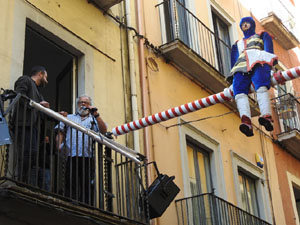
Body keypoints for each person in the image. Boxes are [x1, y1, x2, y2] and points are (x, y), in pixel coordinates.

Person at [227, 17, 278, 137]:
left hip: (259, 61)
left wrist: (269, 65)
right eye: (242, 24)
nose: (244, 25)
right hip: (240, 67)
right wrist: (232, 77)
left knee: (260, 85)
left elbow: (269, 50)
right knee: (239, 92)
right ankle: (246, 121)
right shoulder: (237, 45)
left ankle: (266, 116)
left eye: (246, 23)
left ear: (252, 24)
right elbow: (234, 61)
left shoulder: (262, 35)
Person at [56, 94, 107, 204]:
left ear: (90, 106)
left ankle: (87, 206)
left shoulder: (93, 120)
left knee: (87, 184)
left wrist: (96, 114)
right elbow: (60, 131)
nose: (83, 104)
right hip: (71, 155)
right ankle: (70, 204)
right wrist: (59, 146)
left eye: (86, 103)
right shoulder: (69, 117)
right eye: (80, 102)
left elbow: (103, 131)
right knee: (70, 182)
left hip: (87, 157)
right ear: (77, 105)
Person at [12, 65, 51, 190]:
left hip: (33, 128)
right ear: (40, 74)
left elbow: (43, 111)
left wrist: (57, 114)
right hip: (23, 124)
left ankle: (26, 183)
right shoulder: (25, 80)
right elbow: (19, 96)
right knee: (26, 154)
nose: (47, 80)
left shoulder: (39, 94)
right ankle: (21, 183)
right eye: (46, 77)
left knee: (31, 155)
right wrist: (36, 105)